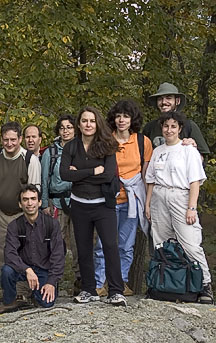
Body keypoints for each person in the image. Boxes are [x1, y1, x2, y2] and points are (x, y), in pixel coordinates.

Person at [60, 106, 127, 306]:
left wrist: (79, 171)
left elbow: (107, 175)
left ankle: (116, 290)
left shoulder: (107, 145)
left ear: (97, 123)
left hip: (103, 205)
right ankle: (89, 289)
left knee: (110, 246)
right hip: (79, 205)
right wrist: (91, 171)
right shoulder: (70, 147)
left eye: (92, 121)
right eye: (84, 121)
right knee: (83, 248)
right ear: (79, 125)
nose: (88, 124)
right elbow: (65, 175)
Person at [145, 111, 214, 304]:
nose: (169, 130)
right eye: (166, 126)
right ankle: (165, 283)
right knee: (161, 243)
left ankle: (204, 285)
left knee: (190, 243)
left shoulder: (188, 150)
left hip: (181, 197)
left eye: (173, 126)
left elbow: (195, 182)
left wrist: (191, 208)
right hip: (159, 196)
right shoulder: (158, 151)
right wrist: (148, 204)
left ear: (180, 129)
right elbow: (150, 180)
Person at [93, 100, 152, 296]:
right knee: (103, 244)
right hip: (108, 200)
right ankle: (99, 283)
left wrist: (148, 203)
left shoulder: (143, 142)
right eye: (118, 116)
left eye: (126, 116)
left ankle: (121, 282)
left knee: (126, 246)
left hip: (132, 201)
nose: (121, 120)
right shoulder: (104, 140)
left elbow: (145, 176)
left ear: (132, 119)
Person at [0, 185, 65, 313]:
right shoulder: (14, 226)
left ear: (39, 202)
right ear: (20, 204)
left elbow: (58, 255)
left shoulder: (51, 224)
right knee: (7, 270)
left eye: (33, 199)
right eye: (25, 199)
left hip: (43, 269)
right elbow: (10, 254)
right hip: (22, 269)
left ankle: (34, 296)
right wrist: (27, 270)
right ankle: (10, 301)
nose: (29, 203)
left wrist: (51, 282)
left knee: (47, 303)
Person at [0, 121, 41, 280]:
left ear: (20, 139)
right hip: (0, 213)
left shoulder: (30, 160)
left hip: (23, 214)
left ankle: (24, 290)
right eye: (6, 140)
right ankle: (9, 290)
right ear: (1, 139)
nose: (9, 143)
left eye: (13, 139)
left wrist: (32, 218)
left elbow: (35, 194)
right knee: (3, 252)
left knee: (26, 251)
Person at [41, 115, 80, 291]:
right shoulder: (51, 152)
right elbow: (44, 180)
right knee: (56, 244)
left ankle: (81, 279)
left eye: (69, 127)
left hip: (79, 201)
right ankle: (53, 280)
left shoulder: (82, 149)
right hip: (57, 202)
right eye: (62, 128)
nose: (66, 131)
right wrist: (44, 204)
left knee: (80, 242)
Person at [142, 82, 209, 155]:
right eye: (160, 99)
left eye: (168, 98)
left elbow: (202, 158)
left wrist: (193, 149)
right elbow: (142, 155)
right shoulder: (150, 127)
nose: (164, 102)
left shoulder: (189, 126)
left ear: (177, 101)